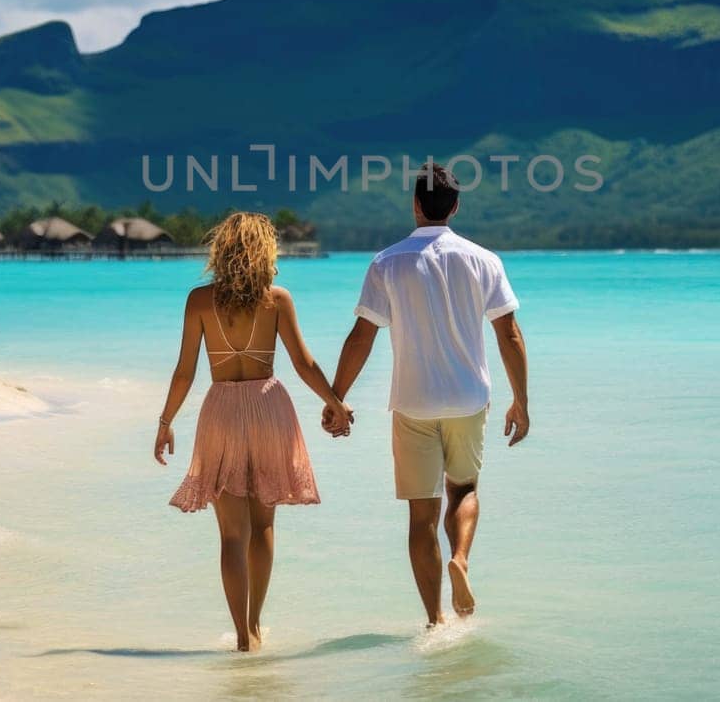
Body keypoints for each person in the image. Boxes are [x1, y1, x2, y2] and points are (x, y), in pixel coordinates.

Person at [324, 163, 530, 625]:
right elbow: (510, 335)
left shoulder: (386, 262)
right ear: (454, 207)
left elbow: (362, 336)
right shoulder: (484, 260)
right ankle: (460, 556)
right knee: (465, 490)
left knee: (421, 515)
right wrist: (522, 400)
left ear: (415, 204)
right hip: (468, 399)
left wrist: (336, 397)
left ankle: (434, 620)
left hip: (413, 403)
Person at [155, 212, 353, 652]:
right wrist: (334, 401)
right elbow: (303, 364)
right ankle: (257, 625)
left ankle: (241, 635)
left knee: (231, 534)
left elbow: (185, 372)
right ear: (266, 252)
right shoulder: (276, 300)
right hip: (267, 407)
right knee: (263, 525)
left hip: (222, 409)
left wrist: (166, 422)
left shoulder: (199, 301)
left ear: (220, 251)